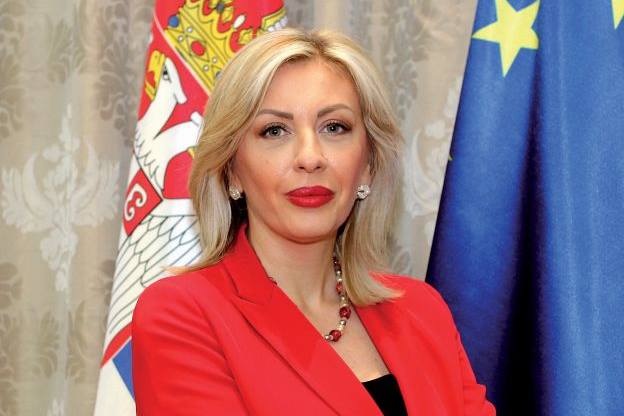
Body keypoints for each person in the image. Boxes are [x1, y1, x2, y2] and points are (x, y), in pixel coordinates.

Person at [131, 28, 495, 416]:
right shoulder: (182, 314)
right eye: (274, 131)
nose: (310, 157)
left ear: (368, 164)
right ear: (231, 170)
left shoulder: (422, 310)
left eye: (334, 127)